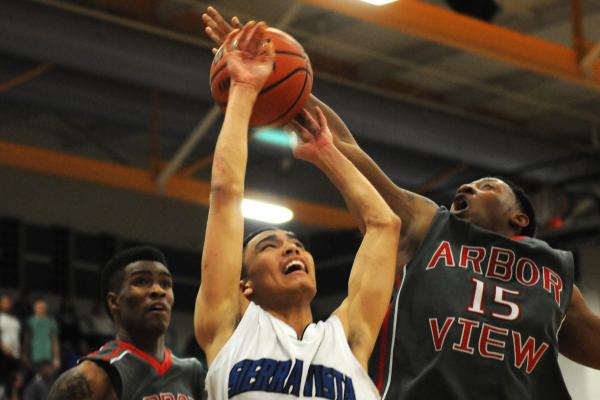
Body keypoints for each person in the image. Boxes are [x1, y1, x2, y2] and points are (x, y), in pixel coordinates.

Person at [202, 8, 600, 399]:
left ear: (520, 217)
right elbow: (346, 151)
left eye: (485, 187)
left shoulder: (554, 273)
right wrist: (268, 75)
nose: (466, 189)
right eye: (468, 185)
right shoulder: (431, 225)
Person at [194, 21, 400, 399]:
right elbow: (226, 195)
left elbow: (385, 224)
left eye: (295, 243)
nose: (291, 248)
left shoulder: (348, 339)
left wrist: (326, 153)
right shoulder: (227, 328)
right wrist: (243, 88)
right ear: (245, 287)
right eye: (268, 245)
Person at [48, 245, 205, 400]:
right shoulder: (94, 376)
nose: (158, 290)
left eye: (165, 283)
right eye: (141, 281)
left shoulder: (193, 373)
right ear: (114, 302)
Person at [23, 297, 60, 373]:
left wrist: (56, 358)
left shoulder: (51, 322)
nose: (41, 309)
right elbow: (26, 340)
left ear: (46, 309)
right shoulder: (29, 322)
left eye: (43, 307)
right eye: (38, 307)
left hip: (47, 356)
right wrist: (25, 356)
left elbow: (54, 341)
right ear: (34, 308)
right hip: (33, 356)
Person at [0, 293, 21, 398]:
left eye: (8, 303)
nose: (6, 304)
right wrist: (3, 348)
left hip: (15, 357)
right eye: (4, 302)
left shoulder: (15, 321)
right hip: (3, 356)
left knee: (14, 386)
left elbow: (17, 339)